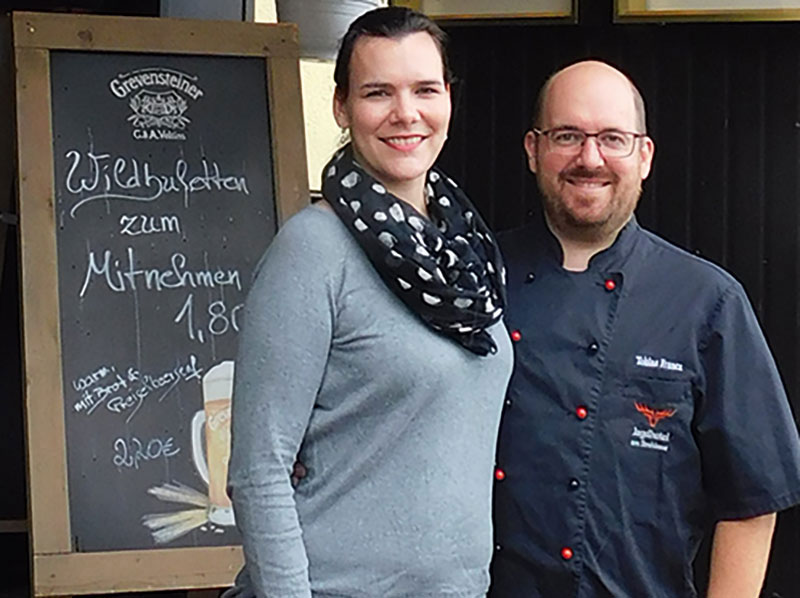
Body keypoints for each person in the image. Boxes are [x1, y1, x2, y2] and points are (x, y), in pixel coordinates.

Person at [225, 7, 513, 598]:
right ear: (341, 107)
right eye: (378, 92)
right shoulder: (312, 250)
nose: (405, 114)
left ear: (448, 100)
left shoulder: (467, 254)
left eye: (424, 90)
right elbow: (259, 470)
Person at [490, 59, 800, 598]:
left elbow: (752, 499)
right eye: (567, 136)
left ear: (645, 156)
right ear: (533, 150)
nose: (590, 158)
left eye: (613, 138)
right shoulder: (477, 278)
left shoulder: (707, 300)